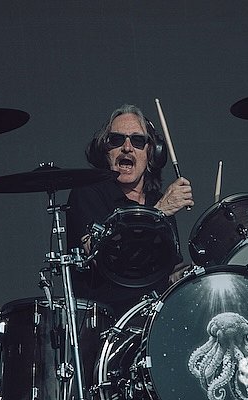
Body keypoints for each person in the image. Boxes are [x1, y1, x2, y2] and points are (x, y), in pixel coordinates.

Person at [66, 104, 194, 318]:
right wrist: (158, 213)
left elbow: (166, 274)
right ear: (105, 150)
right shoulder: (88, 193)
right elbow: (105, 259)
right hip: (108, 323)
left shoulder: (156, 200)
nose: (127, 147)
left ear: (152, 152)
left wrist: (193, 274)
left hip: (155, 321)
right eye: (116, 140)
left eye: (137, 141)